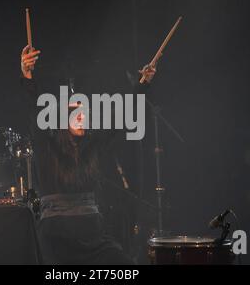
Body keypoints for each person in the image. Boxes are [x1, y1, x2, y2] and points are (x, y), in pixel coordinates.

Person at [20, 45, 156, 265]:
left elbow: (121, 117)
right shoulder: (47, 146)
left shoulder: (92, 146)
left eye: (84, 112)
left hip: (93, 238)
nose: (81, 116)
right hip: (58, 237)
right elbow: (32, 111)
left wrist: (142, 85)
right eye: (75, 112)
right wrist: (27, 75)